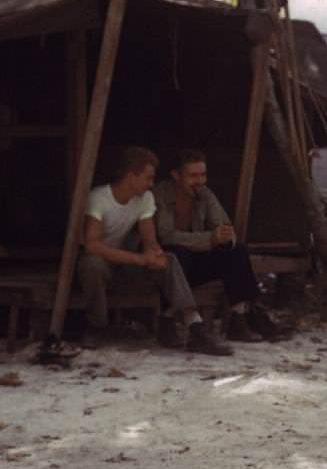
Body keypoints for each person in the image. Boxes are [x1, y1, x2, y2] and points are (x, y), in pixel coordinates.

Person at [78, 146, 232, 355]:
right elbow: (92, 244)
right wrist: (139, 259)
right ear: (131, 176)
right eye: (148, 178)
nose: (152, 184)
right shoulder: (99, 198)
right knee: (91, 263)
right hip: (105, 262)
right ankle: (97, 327)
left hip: (127, 265)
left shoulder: (145, 199)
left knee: (169, 260)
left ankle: (195, 327)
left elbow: (149, 238)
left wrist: (154, 253)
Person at [153, 150, 286, 342]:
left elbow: (225, 226)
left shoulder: (205, 194)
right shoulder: (161, 194)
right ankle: (171, 322)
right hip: (168, 265)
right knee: (177, 254)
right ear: (176, 175)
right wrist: (209, 239)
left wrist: (225, 238)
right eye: (193, 176)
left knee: (236, 251)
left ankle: (240, 317)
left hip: (196, 262)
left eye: (203, 175)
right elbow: (166, 236)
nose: (200, 181)